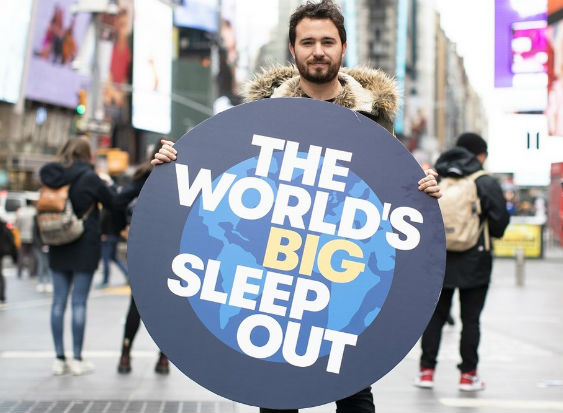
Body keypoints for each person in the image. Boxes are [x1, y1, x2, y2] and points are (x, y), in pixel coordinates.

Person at [153, 2, 441, 411]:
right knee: (276, 389)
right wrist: (174, 166)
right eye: (308, 42)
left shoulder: (374, 120)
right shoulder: (259, 116)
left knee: (355, 389)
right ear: (293, 49)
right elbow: (224, 180)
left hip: (343, 273)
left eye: (327, 41)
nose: (318, 51)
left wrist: (422, 191)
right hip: (278, 274)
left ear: (343, 47)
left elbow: (389, 191)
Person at [415, 132, 509, 392]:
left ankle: (426, 372)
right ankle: (468, 375)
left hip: (439, 259)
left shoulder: (436, 176)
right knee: (471, 320)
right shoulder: (485, 182)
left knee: (435, 317)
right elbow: (500, 225)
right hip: (476, 259)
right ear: (480, 155)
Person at [39, 136, 140, 376]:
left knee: (58, 302)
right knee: (79, 303)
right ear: (88, 154)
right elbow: (116, 202)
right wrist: (131, 184)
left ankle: (58, 358)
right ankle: (77, 359)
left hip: (57, 241)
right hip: (84, 243)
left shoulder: (51, 175)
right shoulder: (90, 178)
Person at [117, 144, 169, 375]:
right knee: (167, 304)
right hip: (167, 249)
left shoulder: (143, 177)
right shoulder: (178, 174)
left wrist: (124, 227)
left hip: (142, 248)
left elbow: (117, 200)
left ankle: (125, 355)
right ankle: (163, 358)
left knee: (135, 305)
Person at [97, 205, 129, 288]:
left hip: (107, 237)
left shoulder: (106, 208)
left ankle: (105, 281)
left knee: (106, 260)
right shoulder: (117, 207)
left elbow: (102, 221)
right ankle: (127, 274)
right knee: (114, 258)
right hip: (115, 236)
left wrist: (102, 233)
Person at [15, 199, 37, 278]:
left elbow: (17, 225)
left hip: (23, 236)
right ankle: (32, 272)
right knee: (32, 255)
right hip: (32, 236)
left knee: (21, 254)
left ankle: (19, 272)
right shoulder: (34, 211)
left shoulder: (21, 212)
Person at [32, 215, 52, 293]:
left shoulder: (49, 222)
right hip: (39, 247)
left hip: (48, 246)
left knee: (48, 264)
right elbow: (35, 236)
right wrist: (41, 246)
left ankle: (49, 282)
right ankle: (40, 282)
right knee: (41, 264)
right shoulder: (37, 223)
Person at [0, 219, 17, 304]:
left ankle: (2, 296)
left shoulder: (4, 223)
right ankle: (2, 296)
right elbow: (11, 237)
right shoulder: (3, 223)